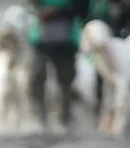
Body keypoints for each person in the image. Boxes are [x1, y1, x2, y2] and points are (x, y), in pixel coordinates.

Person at [26, 0, 91, 130]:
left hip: (67, 37)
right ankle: (40, 118)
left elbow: (83, 8)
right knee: (36, 76)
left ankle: (65, 119)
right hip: (41, 37)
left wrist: (58, 11)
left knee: (66, 80)